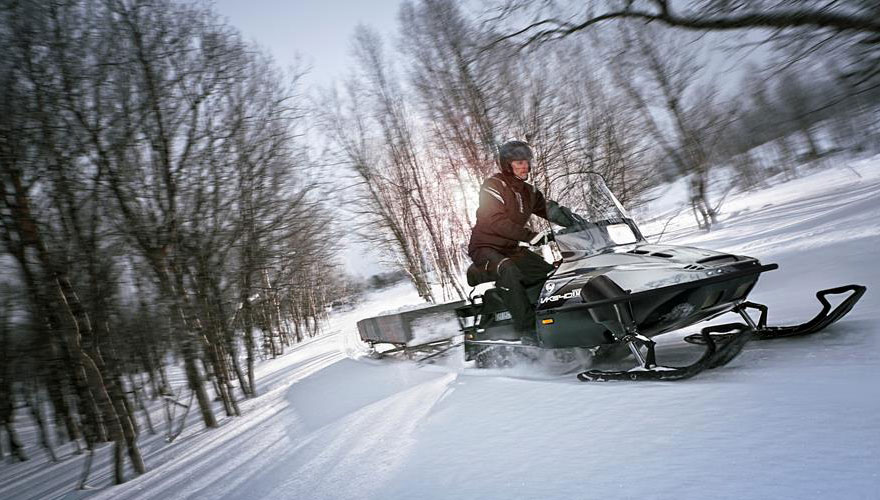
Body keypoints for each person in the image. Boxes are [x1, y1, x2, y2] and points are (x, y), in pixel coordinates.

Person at [467, 140, 578, 342]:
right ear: (507, 165)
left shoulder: (529, 192)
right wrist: (531, 236)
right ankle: (527, 331)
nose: (524, 166)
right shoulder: (494, 186)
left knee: (548, 275)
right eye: (518, 162)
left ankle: (555, 318)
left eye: (526, 161)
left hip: (510, 248)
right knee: (508, 269)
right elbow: (495, 221)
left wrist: (580, 223)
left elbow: (550, 209)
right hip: (484, 249)